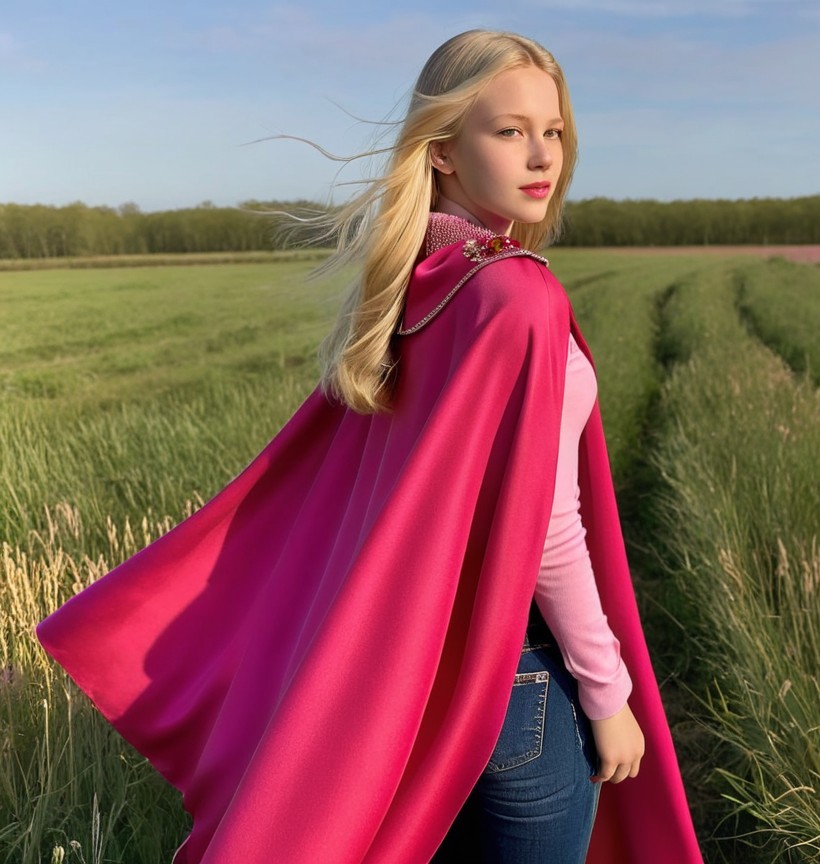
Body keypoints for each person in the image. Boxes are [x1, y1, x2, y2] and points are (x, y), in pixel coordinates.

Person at [37, 29, 702, 864]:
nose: (543, 155)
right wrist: (608, 693)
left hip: (423, 675)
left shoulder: (424, 285)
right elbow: (545, 528)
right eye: (509, 131)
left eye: (554, 130)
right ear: (446, 151)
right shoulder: (515, 294)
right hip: (519, 674)